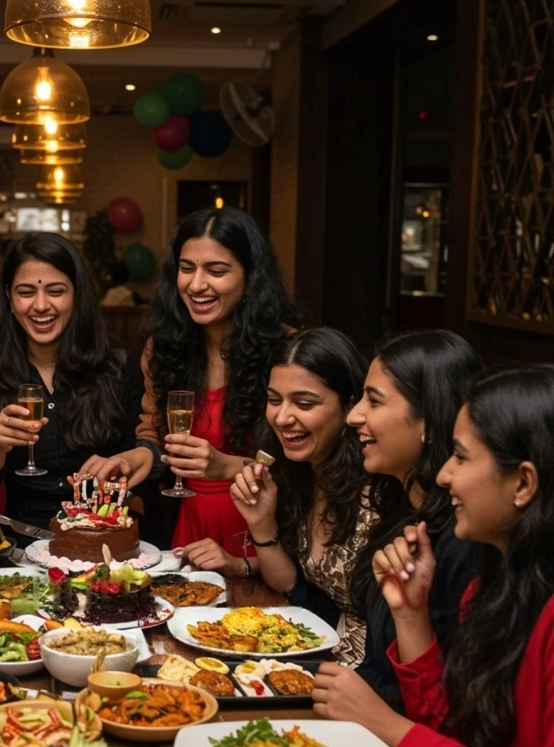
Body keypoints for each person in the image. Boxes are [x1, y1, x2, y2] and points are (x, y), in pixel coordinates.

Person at [313, 364, 554, 747]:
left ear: (523, 483)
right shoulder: (496, 587)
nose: (444, 476)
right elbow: (465, 744)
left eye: (461, 458)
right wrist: (412, 618)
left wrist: (394, 731)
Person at [94, 205, 301, 566]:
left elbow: (308, 462)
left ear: (251, 276)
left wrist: (230, 467)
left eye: (216, 271)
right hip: (186, 526)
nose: (196, 284)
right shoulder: (164, 348)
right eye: (186, 269)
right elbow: (153, 429)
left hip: (268, 531)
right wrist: (142, 454)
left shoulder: (286, 351)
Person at [0, 233, 144, 535]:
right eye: (26, 292)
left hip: (103, 542)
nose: (41, 305)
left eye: (56, 291)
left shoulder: (118, 368)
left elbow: (149, 463)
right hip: (20, 549)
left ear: (77, 294)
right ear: (9, 296)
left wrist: (123, 465)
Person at [221, 327, 376, 665]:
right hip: (313, 652)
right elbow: (290, 584)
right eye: (274, 400)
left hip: (366, 674)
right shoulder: (298, 473)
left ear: (351, 404)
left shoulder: (376, 490)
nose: (282, 416)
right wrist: (261, 525)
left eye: (304, 403)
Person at [347, 329, 484, 708]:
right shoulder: (403, 509)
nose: (353, 415)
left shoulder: (461, 539)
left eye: (373, 401)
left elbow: (447, 701)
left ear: (429, 420)